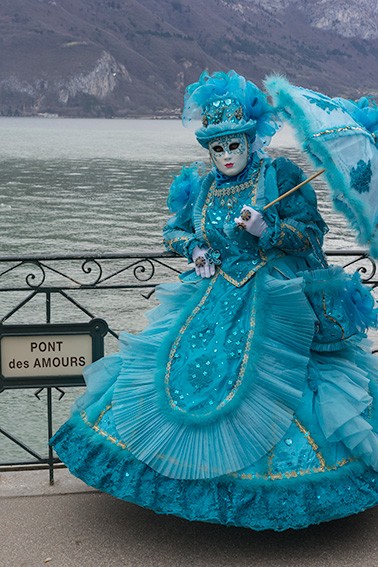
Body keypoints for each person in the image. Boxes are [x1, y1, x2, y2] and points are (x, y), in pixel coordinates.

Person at [51, 70, 378, 531]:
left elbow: (311, 237)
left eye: (234, 144)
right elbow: (176, 231)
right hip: (212, 293)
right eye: (217, 147)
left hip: (271, 295)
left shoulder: (280, 176)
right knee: (177, 371)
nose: (226, 155)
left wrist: (269, 231)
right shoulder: (203, 188)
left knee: (278, 382)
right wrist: (195, 250)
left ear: (251, 140)